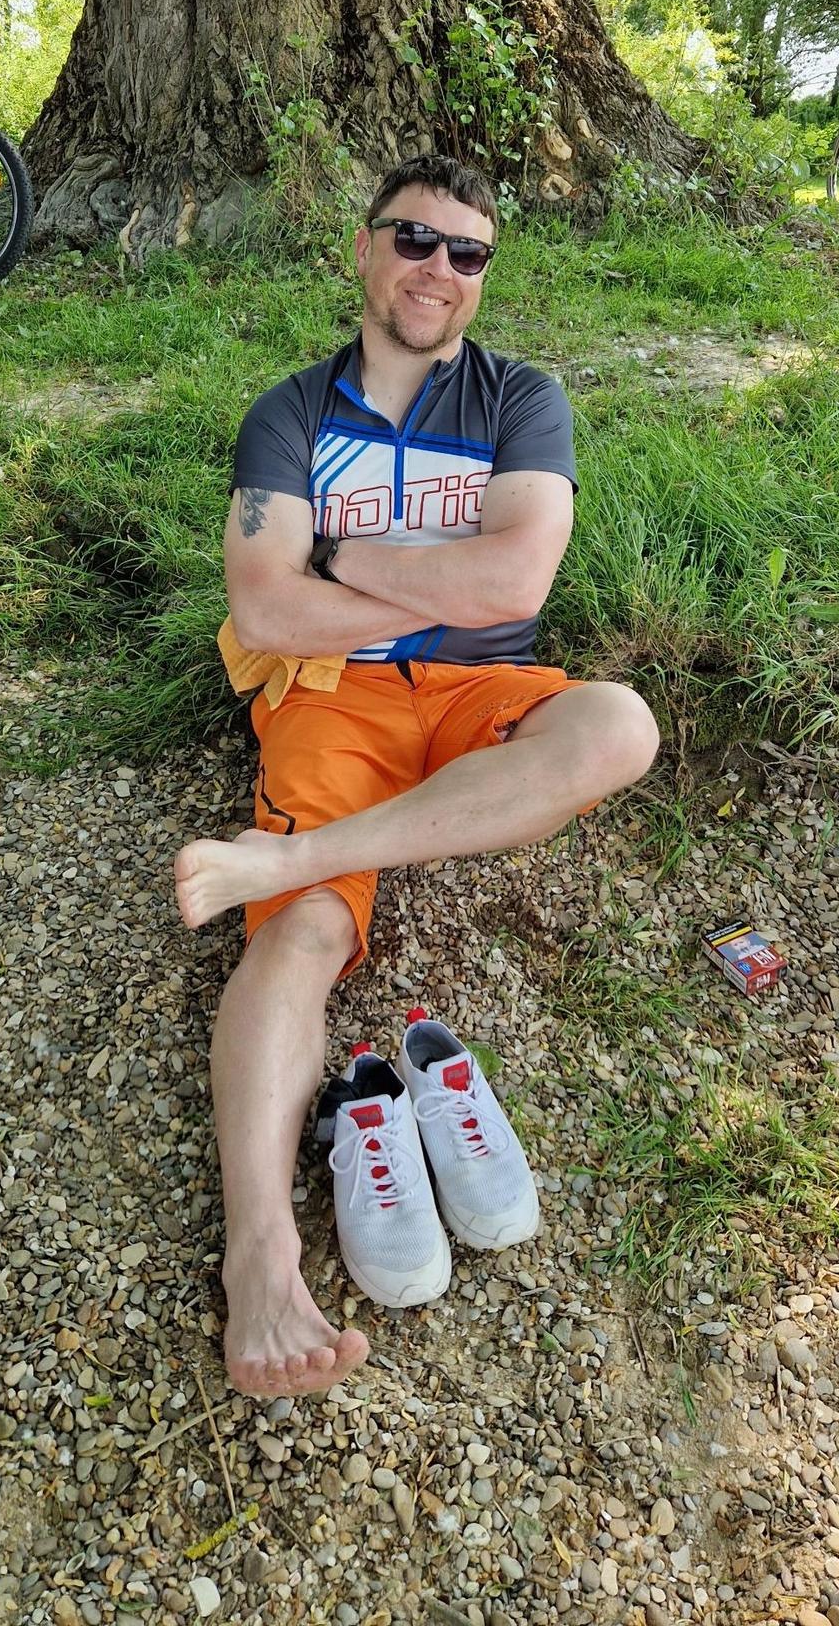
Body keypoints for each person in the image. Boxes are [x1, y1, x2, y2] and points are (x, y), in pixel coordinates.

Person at [173, 154, 661, 1400]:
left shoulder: (519, 398)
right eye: (414, 239)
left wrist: (340, 553)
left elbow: (515, 585)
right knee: (300, 940)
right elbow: (263, 610)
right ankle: (260, 1250)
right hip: (332, 697)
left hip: (479, 689)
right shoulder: (290, 412)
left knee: (618, 726)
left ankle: (290, 855)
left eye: (468, 251)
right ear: (363, 247)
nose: (439, 268)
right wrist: (428, 584)